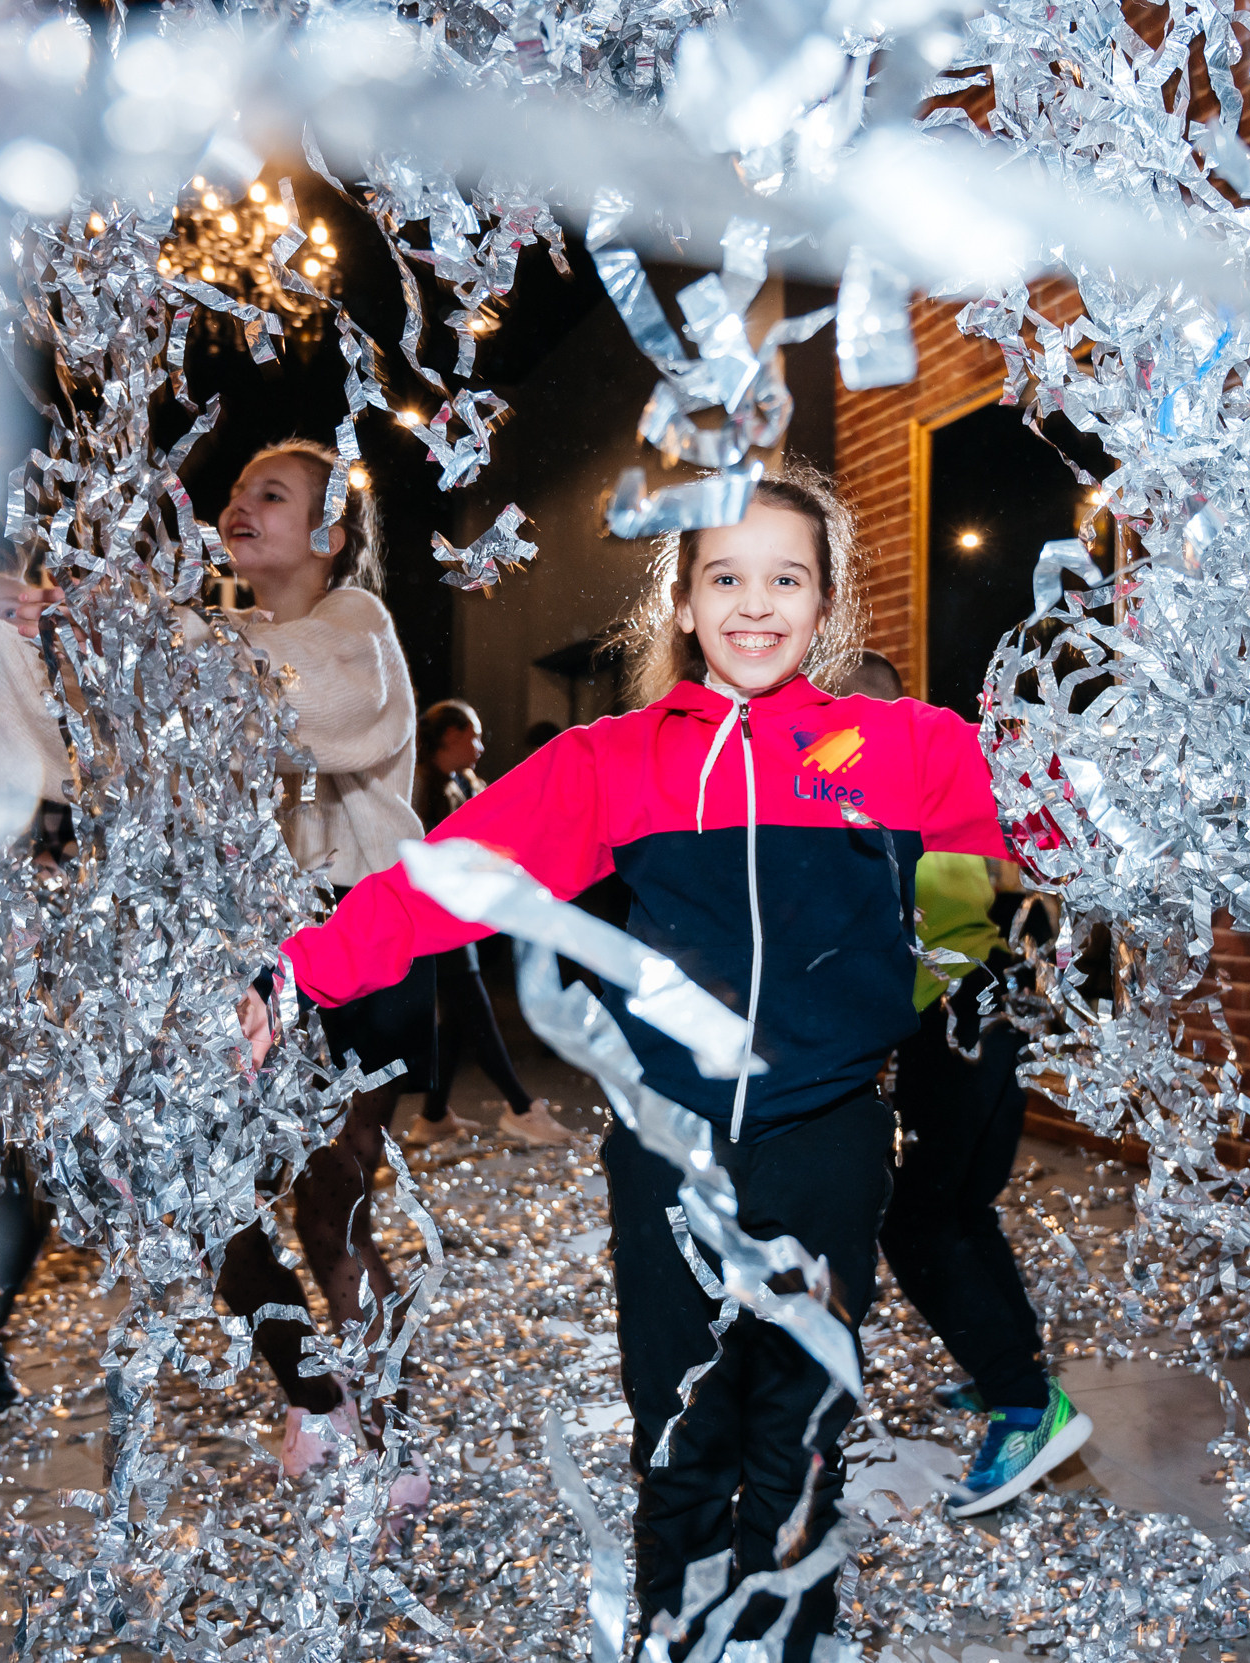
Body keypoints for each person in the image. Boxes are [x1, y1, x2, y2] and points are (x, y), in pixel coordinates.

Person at [257, 460, 1009, 1662]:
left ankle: (790, 1636)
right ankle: (675, 1637)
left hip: (824, 1139)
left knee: (798, 1425)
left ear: (824, 607)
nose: (754, 605)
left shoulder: (898, 749)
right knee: (679, 1418)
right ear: (682, 599)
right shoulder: (615, 761)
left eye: (785, 580)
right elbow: (456, 871)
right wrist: (302, 971)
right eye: (726, 577)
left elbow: (1048, 818)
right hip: (664, 1142)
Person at [0, 437, 431, 1478]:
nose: (239, 504)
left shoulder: (358, 628)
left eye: (273, 492)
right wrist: (15, 632)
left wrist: (122, 622)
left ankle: (393, 1450)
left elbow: (289, 699)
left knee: (332, 1211)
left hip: (364, 930)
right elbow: (102, 736)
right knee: (193, 1199)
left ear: (331, 533)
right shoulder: (220, 634)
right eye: (240, 489)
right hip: (257, 954)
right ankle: (319, 1396)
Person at [834, 650, 1089, 1518]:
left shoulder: (897, 798)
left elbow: (909, 930)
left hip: (963, 1030)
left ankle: (1024, 1400)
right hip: (981, 1023)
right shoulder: (934, 781)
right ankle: (1014, 1369)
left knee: (915, 1224)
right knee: (963, 1208)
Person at [404, 698, 578, 1150]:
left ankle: (434, 1115)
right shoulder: (425, 787)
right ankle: (520, 1109)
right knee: (476, 1011)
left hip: (457, 918)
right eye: (473, 735)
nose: (480, 745)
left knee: (461, 1020)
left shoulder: (457, 783)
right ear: (451, 736)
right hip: (437, 920)